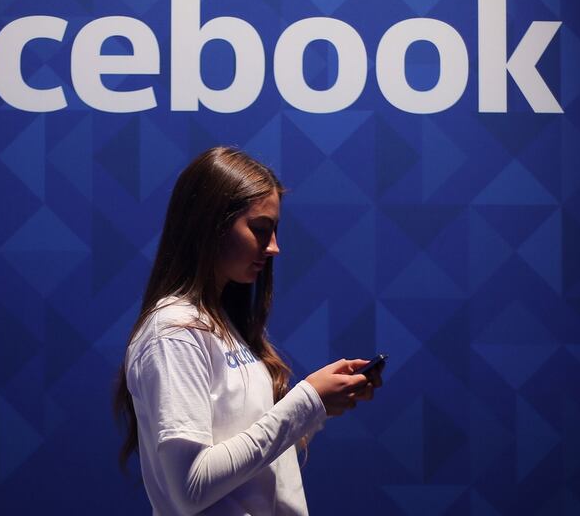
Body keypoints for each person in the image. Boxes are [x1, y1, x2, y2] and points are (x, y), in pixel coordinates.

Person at [111, 146, 385, 515]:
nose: (273, 248)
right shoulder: (173, 332)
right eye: (260, 229)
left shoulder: (222, 325)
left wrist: (319, 407)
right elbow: (191, 487)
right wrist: (305, 402)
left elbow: (249, 461)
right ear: (211, 225)